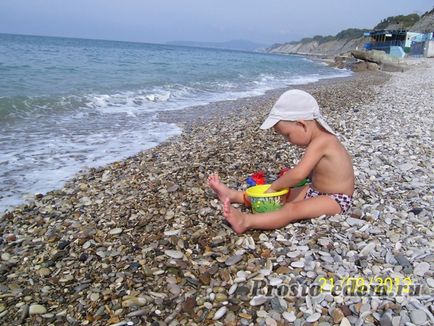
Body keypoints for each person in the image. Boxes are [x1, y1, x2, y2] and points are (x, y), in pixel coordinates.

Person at [208, 89, 354, 234]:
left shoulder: (324, 141)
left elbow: (299, 174)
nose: (288, 141)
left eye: (287, 135)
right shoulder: (319, 141)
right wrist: (282, 187)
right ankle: (234, 196)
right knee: (282, 196)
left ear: (302, 125)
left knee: (291, 209)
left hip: (335, 199)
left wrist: (274, 187)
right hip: (314, 191)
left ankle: (246, 221)